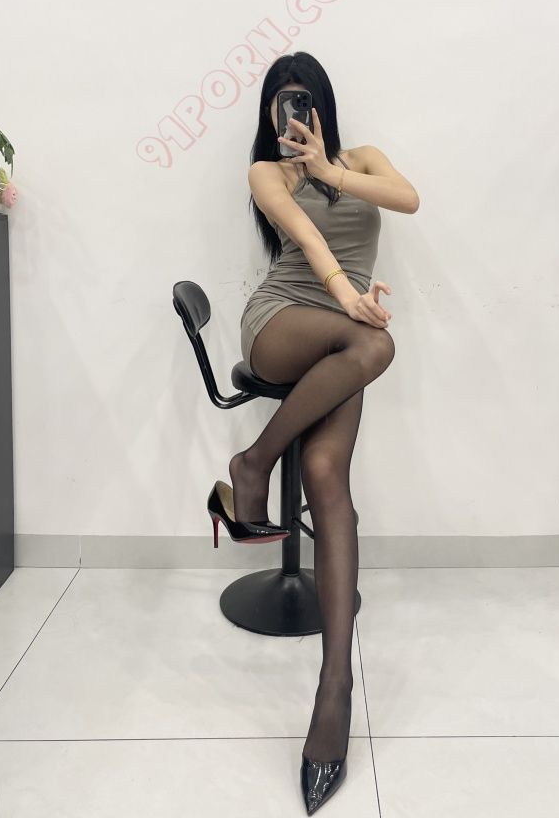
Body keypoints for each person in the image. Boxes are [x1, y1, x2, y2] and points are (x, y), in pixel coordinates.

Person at [207, 51, 420, 814]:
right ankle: (256, 461)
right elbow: (306, 234)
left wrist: (331, 168)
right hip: (285, 323)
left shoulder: (360, 159)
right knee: (375, 345)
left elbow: (408, 199)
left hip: (343, 342)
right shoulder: (267, 173)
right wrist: (345, 294)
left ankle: (335, 690)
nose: (290, 111)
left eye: (302, 99)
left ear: (322, 105)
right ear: (268, 112)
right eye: (280, 100)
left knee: (330, 479)